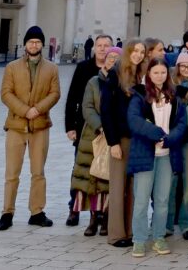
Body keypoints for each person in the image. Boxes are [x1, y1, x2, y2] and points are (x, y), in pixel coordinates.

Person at [0, 25, 61, 231]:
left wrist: (38, 109)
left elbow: (55, 93)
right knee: (12, 172)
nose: (34, 45)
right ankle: (7, 212)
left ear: (42, 45)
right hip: (16, 125)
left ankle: (37, 211)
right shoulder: (12, 67)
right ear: (25, 44)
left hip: (40, 126)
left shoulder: (51, 68)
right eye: (31, 42)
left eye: (38, 42)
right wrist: (25, 111)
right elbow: (6, 93)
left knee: (38, 171)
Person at [127, 57, 188, 257]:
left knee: (163, 200)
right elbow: (134, 121)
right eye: (156, 73)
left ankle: (159, 236)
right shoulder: (139, 95)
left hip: (167, 155)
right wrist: (157, 133)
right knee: (142, 200)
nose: (160, 76)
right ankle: (139, 239)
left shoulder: (175, 96)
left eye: (163, 72)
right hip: (146, 153)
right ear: (149, 75)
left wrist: (169, 139)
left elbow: (181, 123)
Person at [100, 39, 147, 247]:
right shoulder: (116, 73)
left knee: (133, 188)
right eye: (135, 51)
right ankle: (117, 234)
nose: (138, 54)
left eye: (141, 51)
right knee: (118, 187)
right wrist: (113, 142)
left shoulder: (142, 75)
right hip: (120, 138)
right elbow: (106, 109)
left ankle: (130, 231)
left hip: (138, 139)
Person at [71, 45, 121, 237]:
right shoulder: (93, 82)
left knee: (109, 180)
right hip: (94, 135)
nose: (112, 60)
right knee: (92, 178)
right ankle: (93, 219)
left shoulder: (123, 82)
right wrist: (101, 126)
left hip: (114, 135)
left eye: (117, 57)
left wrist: (111, 129)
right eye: (110, 57)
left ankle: (107, 218)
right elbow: (87, 107)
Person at [64, 34, 110, 226]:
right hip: (85, 129)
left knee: (102, 172)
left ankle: (98, 210)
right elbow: (73, 97)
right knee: (80, 170)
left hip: (108, 132)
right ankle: (74, 209)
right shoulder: (84, 68)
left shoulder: (115, 70)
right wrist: (70, 126)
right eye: (99, 45)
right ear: (94, 48)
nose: (102, 49)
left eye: (106, 46)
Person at [167, 50, 188, 240]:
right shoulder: (170, 84)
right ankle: (167, 222)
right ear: (178, 67)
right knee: (171, 182)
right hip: (172, 139)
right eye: (183, 65)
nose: (186, 69)